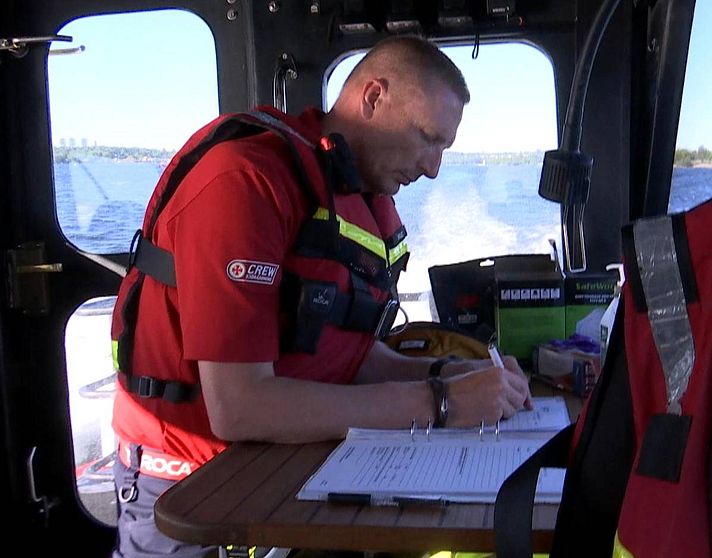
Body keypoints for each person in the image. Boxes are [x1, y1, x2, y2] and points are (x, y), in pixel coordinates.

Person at [110, 36, 532, 558]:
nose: (433, 169)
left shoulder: (353, 192)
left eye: (443, 148)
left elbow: (343, 356)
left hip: (283, 458)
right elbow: (239, 409)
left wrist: (446, 374)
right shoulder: (245, 182)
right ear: (373, 97)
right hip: (188, 476)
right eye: (427, 138)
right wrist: (440, 404)